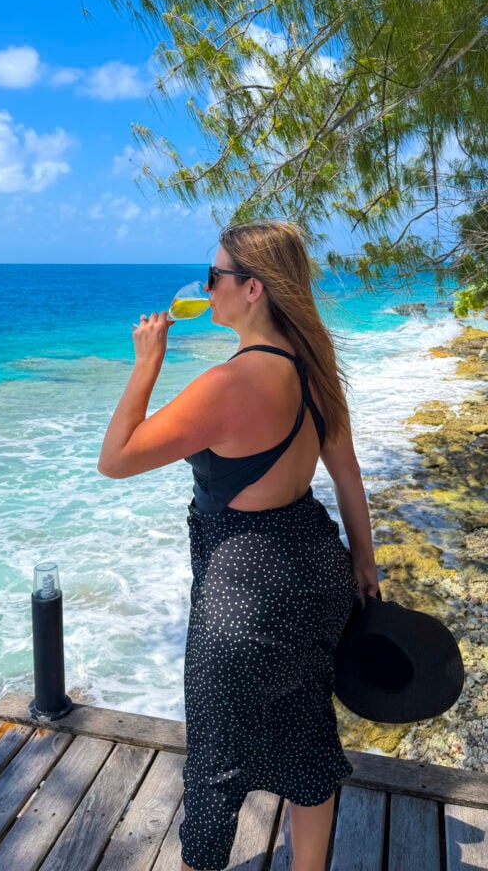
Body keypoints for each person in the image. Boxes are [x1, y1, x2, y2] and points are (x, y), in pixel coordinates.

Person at [98, 220, 379, 871]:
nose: (205, 288)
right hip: (317, 569)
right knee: (309, 743)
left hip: (241, 596)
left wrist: (146, 365)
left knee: (215, 773)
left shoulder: (227, 386)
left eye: (215, 277)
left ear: (252, 289)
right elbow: (346, 472)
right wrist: (364, 562)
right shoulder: (314, 366)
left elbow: (115, 459)